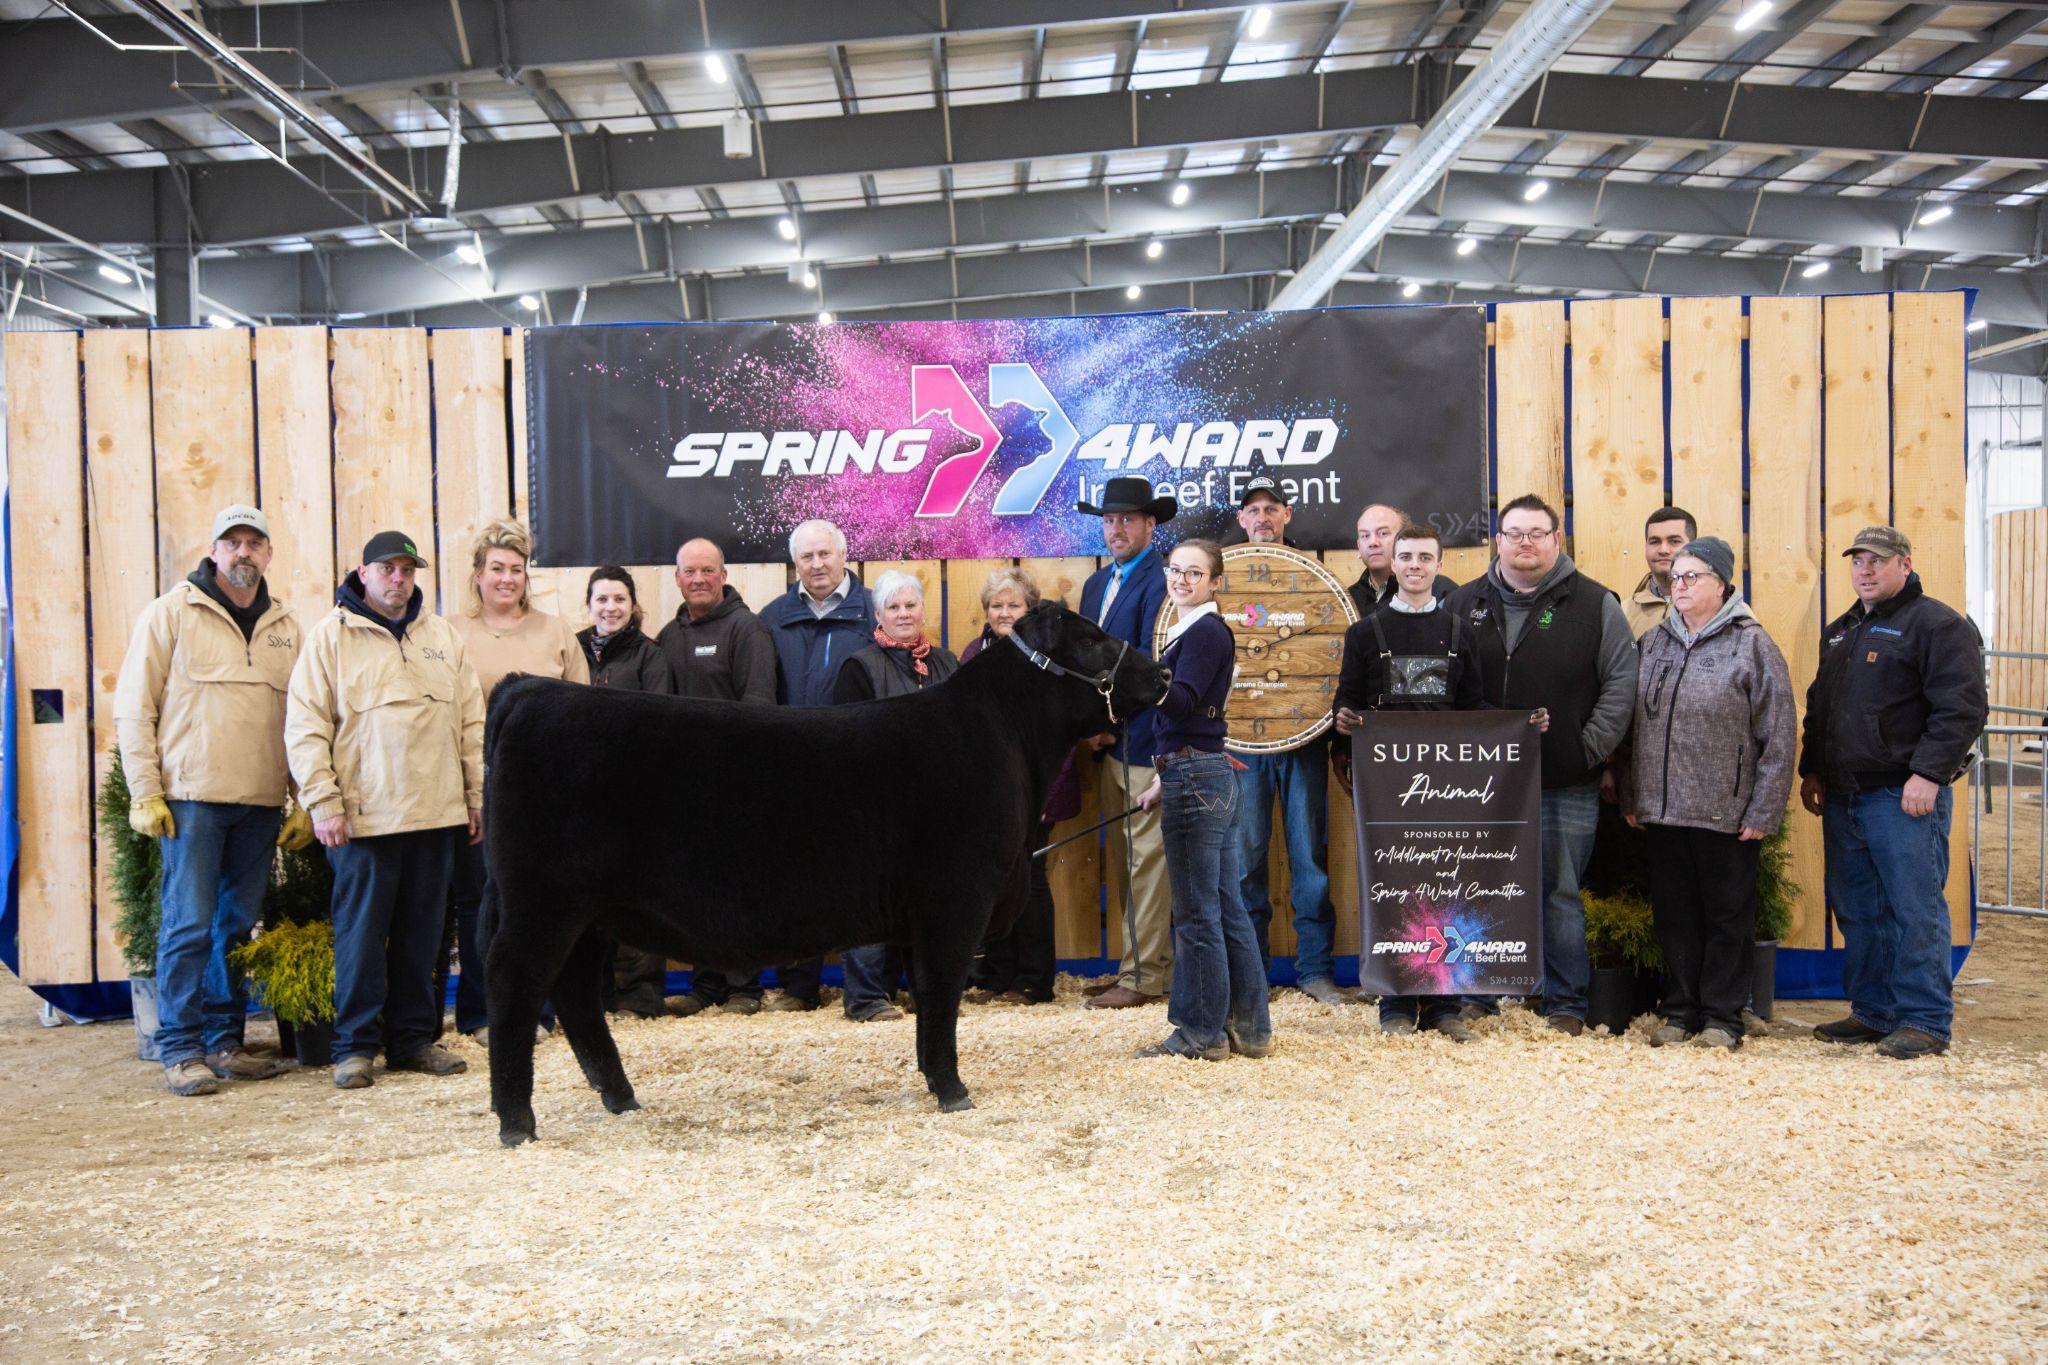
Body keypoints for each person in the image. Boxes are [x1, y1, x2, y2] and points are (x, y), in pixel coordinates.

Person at [114, 504, 309, 1096]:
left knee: (235, 927)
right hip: (192, 801)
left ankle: (225, 1043)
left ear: (268, 554)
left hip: (260, 803)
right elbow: (134, 707)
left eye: (254, 542)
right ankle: (180, 1049)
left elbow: (302, 719)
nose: (243, 552)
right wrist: (145, 792)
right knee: (188, 925)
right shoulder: (171, 613)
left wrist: (302, 797)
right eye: (233, 542)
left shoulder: (287, 626)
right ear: (214, 550)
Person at [286, 531, 483, 1089]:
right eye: (387, 569)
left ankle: (413, 1041)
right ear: (363, 572)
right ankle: (354, 1048)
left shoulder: (441, 636)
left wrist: (474, 796)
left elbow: (471, 722)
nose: (399, 579)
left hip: (436, 812)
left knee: (424, 936)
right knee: (361, 936)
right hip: (364, 817)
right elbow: (305, 726)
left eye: (407, 570)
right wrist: (323, 802)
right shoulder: (330, 638)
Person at [1446, 494, 1638, 1037]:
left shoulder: (1597, 603)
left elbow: (1622, 685)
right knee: (1476, 885)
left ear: (1557, 540)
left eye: (1537, 533)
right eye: (1514, 533)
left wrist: (1586, 749)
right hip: (1479, 785)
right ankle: (1476, 994)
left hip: (1565, 781)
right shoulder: (1461, 603)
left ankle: (1565, 1003)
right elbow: (1443, 685)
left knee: (1560, 892)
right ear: (1498, 541)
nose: (1525, 542)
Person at [1798, 526, 1986, 1060]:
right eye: (1858, 561)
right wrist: (1813, 769)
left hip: (1903, 796)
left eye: (1877, 560)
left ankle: (1924, 1019)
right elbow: (1820, 709)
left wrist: (1928, 774)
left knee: (1915, 908)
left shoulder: (1937, 624)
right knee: (1859, 910)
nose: (1865, 570)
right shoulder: (1841, 632)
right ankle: (1873, 1011)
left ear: (1905, 563)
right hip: (1845, 795)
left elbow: (1962, 708)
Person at [1620, 537, 1796, 1051]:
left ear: (1721, 584)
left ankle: (1722, 1017)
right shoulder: (1653, 642)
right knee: (1674, 916)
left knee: (1727, 918)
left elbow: (1779, 733)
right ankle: (1679, 1010)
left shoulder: (1752, 644)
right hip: (1662, 809)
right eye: (1676, 577)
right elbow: (1632, 725)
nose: (1680, 585)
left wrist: (1764, 808)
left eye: (1692, 576)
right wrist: (1631, 794)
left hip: (1726, 811)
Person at [1331, 523, 1487, 1041]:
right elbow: (1346, 700)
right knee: (1393, 889)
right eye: (1406, 557)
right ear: (1392, 564)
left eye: (1424, 557)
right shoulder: (1364, 634)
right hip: (1387, 788)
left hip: (1448, 788)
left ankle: (1445, 1004)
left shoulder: (1461, 632)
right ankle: (1395, 1003)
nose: (1415, 565)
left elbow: (1475, 709)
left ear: (1439, 564)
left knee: (1449, 886)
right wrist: (1343, 723)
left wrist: (1523, 727)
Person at [443, 518, 589, 1042]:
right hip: (478, 784)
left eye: (517, 569)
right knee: (478, 901)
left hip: (543, 791)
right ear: (478, 574)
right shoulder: (449, 633)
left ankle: (538, 1010)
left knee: (540, 901)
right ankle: (482, 1012)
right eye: (497, 568)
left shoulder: (555, 632)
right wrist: (468, 790)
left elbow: (581, 711)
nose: (507, 578)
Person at [1133, 539, 1271, 1061]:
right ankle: (1250, 1029)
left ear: (1215, 583)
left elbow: (1184, 701)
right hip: (1203, 770)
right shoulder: (1195, 630)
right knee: (1225, 907)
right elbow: (1195, 718)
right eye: (1176, 570)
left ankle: (1200, 1032)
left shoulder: (1205, 631)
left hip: (1196, 774)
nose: (1182, 580)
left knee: (1196, 913)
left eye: (1195, 573)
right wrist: (1161, 779)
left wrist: (1136, 679)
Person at [1227, 477, 1343, 1004]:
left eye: (1271, 508)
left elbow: (1334, 651)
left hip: (1305, 742)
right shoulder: (1223, 578)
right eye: (1253, 510)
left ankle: (1315, 972)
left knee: (1309, 859)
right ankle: (1252, 975)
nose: (1262, 518)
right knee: (1246, 862)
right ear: (1241, 520)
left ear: (1287, 514)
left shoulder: (1314, 580)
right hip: (1241, 747)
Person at [827, 570, 960, 1021]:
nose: (903, 614)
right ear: (878, 615)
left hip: (935, 805)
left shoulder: (946, 663)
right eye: (893, 607)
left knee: (931, 904)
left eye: (910, 605)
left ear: (922, 610)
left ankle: (931, 995)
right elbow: (849, 741)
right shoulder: (859, 667)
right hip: (877, 804)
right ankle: (866, 998)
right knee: (871, 899)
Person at [655, 537, 779, 1016]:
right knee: (695, 889)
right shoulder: (669, 637)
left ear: (723, 576)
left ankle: (745, 987)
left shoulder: (747, 630)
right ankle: (705, 984)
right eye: (690, 571)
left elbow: (759, 708)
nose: (699, 579)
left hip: (736, 782)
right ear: (677, 579)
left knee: (741, 886)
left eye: (708, 570)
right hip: (685, 788)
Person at [758, 518, 875, 1010]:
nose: (817, 564)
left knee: (862, 875)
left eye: (825, 553)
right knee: (795, 875)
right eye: (806, 557)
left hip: (857, 765)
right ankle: (798, 987)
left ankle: (866, 990)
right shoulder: (772, 617)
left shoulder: (874, 611)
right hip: (793, 766)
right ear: (795, 564)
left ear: (843, 555)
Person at [1075, 476, 1175, 1010]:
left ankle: (1144, 975)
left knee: (1146, 863)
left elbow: (1149, 668)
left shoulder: (1162, 582)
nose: (1117, 528)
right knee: (1127, 862)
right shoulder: (1096, 585)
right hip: (1111, 744)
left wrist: (1108, 718)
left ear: (1149, 525)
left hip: (1144, 741)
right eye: (1110, 520)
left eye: (1127, 519)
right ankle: (1141, 967)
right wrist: (1092, 722)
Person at [960, 567, 1077, 1005]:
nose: (1005, 612)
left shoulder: (1048, 657)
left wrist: (1043, 791)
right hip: (991, 791)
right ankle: (996, 976)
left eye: (1014, 605)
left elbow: (1061, 730)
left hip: (1035, 789)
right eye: (997, 605)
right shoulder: (975, 653)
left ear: (1029, 610)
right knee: (997, 882)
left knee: (1030, 877)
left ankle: (1034, 980)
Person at [576, 567, 677, 1019]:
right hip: (582, 796)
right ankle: (592, 995)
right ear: (589, 604)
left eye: (619, 599)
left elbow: (658, 724)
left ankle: (639, 996)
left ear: (633, 606)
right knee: (587, 898)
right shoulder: (572, 649)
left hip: (636, 795)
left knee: (638, 895)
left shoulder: (650, 656)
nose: (610, 608)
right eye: (602, 599)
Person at [1347, 502, 1458, 617]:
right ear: (1358, 545)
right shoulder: (1347, 601)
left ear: (1405, 537)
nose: (1373, 542)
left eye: (1383, 533)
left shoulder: (1443, 592)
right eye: (1365, 535)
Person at [1623, 506, 1696, 640]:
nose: (1663, 550)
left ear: (1694, 546)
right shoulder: (1624, 612)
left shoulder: (1718, 609)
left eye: (1674, 541)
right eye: (1655, 542)